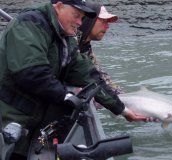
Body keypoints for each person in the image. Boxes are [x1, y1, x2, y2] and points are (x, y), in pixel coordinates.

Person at [0, 0, 146, 159]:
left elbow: (89, 75)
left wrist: (121, 109)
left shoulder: (67, 38)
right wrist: (66, 96)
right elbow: (31, 73)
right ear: (59, 6)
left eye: (82, 18)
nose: (79, 22)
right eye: (76, 16)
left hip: (34, 119)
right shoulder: (30, 24)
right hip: (9, 115)